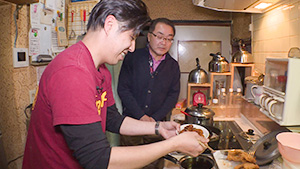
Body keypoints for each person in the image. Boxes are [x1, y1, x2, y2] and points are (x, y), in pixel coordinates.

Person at [22, 1, 208, 169]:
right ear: (110, 25)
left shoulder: (101, 70)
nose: (133, 47)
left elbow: (112, 119)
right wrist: (175, 144)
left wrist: (158, 127)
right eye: (131, 37)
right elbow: (97, 158)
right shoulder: (72, 72)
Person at [117, 18, 180, 168]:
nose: (163, 42)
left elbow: (173, 96)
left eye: (168, 39)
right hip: (130, 126)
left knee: (154, 164)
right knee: (128, 164)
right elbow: (123, 89)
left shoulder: (173, 66)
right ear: (149, 36)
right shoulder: (132, 58)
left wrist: (153, 119)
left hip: (158, 129)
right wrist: (141, 116)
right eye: (159, 36)